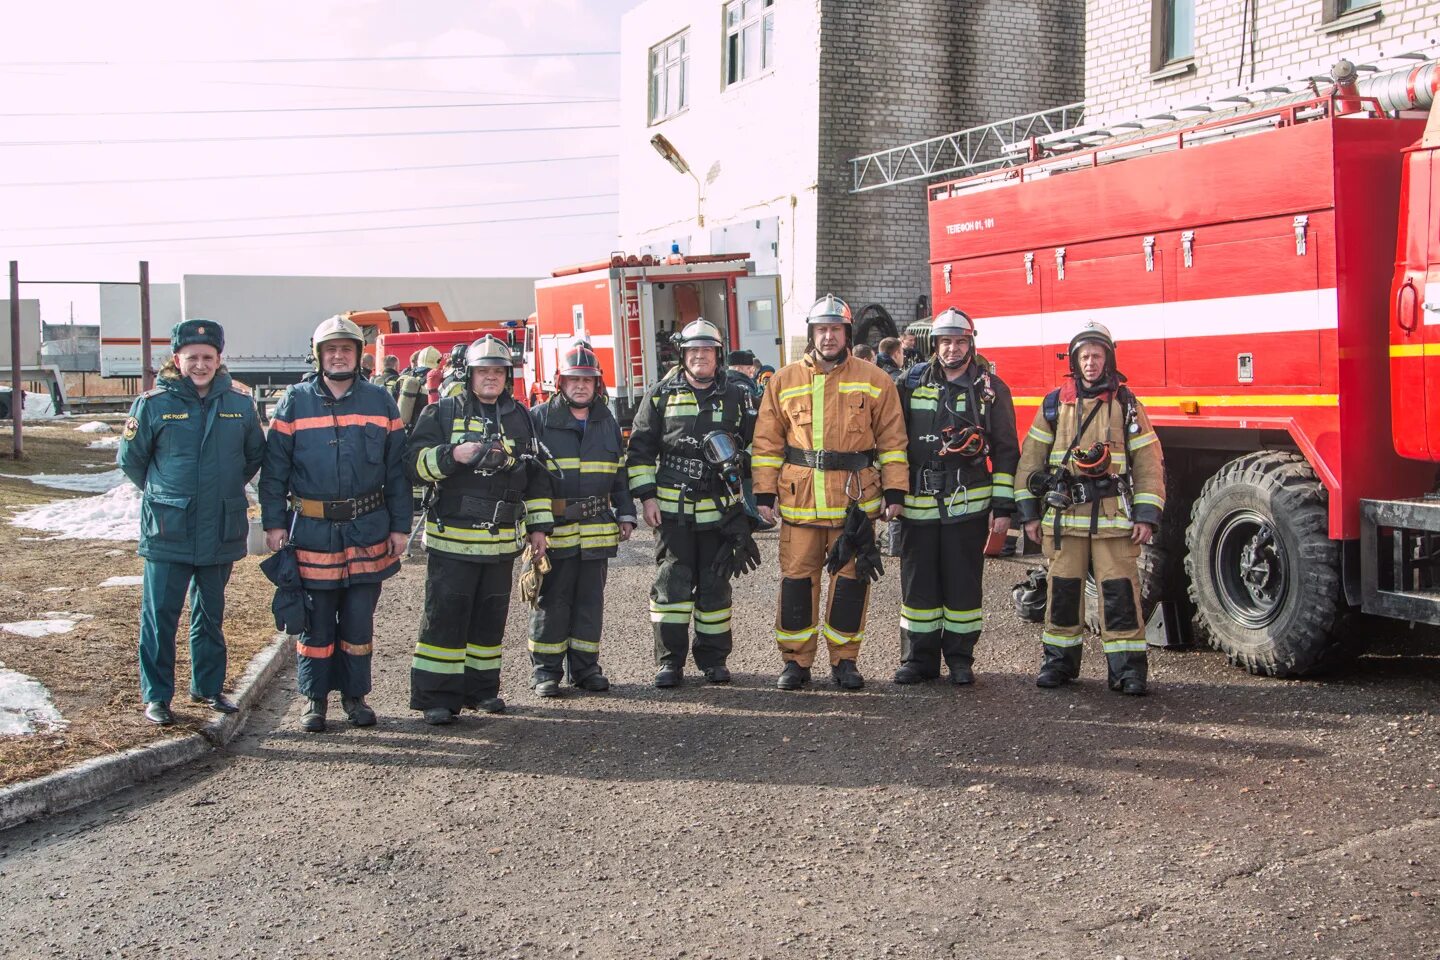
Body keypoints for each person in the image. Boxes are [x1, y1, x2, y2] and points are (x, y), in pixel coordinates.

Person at [259, 315, 412, 732]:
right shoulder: (295, 401)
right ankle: (314, 702)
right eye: (331, 350)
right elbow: (274, 471)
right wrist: (273, 523)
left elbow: (396, 470)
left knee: (359, 624)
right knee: (316, 624)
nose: (339, 356)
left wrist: (401, 526)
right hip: (312, 533)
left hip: (368, 531)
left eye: (346, 349)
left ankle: (355, 698)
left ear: (358, 355)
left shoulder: (380, 401)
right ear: (319, 356)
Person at [751, 295, 908, 691]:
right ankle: (795, 662)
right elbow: (767, 443)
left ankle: (845, 661)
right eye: (821, 329)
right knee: (797, 584)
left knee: (851, 585)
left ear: (847, 333)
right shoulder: (783, 381)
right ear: (811, 334)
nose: (828, 336)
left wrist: (895, 491)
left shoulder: (876, 379)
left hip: (853, 506)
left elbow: (892, 442)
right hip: (800, 503)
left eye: (835, 329)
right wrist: (764, 495)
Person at [118, 320, 264, 726]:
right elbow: (132, 461)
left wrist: (223, 488)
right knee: (161, 615)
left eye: (208, 358)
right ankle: (158, 696)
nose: (200, 365)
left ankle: (208, 686)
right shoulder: (152, 404)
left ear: (219, 360)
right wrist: (167, 493)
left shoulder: (240, 403)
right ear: (177, 359)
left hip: (219, 524)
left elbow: (254, 455)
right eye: (192, 357)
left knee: (210, 614)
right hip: (169, 527)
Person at [406, 335, 553, 724]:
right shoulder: (442, 412)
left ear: (507, 376)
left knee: (490, 620)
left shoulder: (519, 416)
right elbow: (414, 464)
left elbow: (535, 476)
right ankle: (436, 698)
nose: (491, 377)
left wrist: (538, 527)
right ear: (469, 374)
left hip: (501, 542)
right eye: (484, 371)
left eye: (498, 371)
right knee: (445, 619)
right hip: (452, 541)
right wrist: (452, 455)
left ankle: (481, 690)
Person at [1015, 321, 1165, 695]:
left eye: (1097, 355)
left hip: (1114, 519)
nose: (1091, 363)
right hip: (1065, 519)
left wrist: (1147, 514)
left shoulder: (1127, 405)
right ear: (1075, 359)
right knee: (1062, 595)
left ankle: (1128, 671)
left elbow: (1148, 462)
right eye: (1084, 356)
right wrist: (1029, 515)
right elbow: (1030, 462)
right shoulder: (1054, 404)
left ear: (1108, 358)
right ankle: (1058, 665)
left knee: (1120, 597)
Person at [626, 319, 757, 688]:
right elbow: (638, 452)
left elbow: (757, 447)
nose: (700, 356)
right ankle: (670, 662)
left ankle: (714, 661)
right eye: (693, 351)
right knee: (672, 588)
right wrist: (647, 498)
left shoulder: (739, 396)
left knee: (716, 588)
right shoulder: (661, 395)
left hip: (720, 513)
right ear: (682, 355)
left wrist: (749, 503)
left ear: (719, 354)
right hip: (673, 513)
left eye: (707, 350)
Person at [893, 308, 1018, 686]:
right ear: (935, 344)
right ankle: (918, 660)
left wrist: (1003, 506)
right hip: (917, 506)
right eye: (945, 341)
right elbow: (893, 442)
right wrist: (892, 493)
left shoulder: (991, 389)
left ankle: (961, 659)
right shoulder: (909, 383)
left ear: (971, 343)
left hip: (968, 506)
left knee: (963, 584)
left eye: (960, 341)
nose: (952, 348)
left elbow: (1007, 450)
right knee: (918, 585)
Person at [527, 343, 636, 696]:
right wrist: (537, 528)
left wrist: (626, 512)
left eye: (587, 380)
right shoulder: (540, 419)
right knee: (552, 602)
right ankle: (545, 673)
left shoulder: (607, 421)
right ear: (560, 381)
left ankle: (586, 669)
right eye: (573, 379)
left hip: (596, 531)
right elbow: (532, 479)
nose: (580, 386)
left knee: (590, 604)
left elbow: (619, 473)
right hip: (555, 531)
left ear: (597, 384)